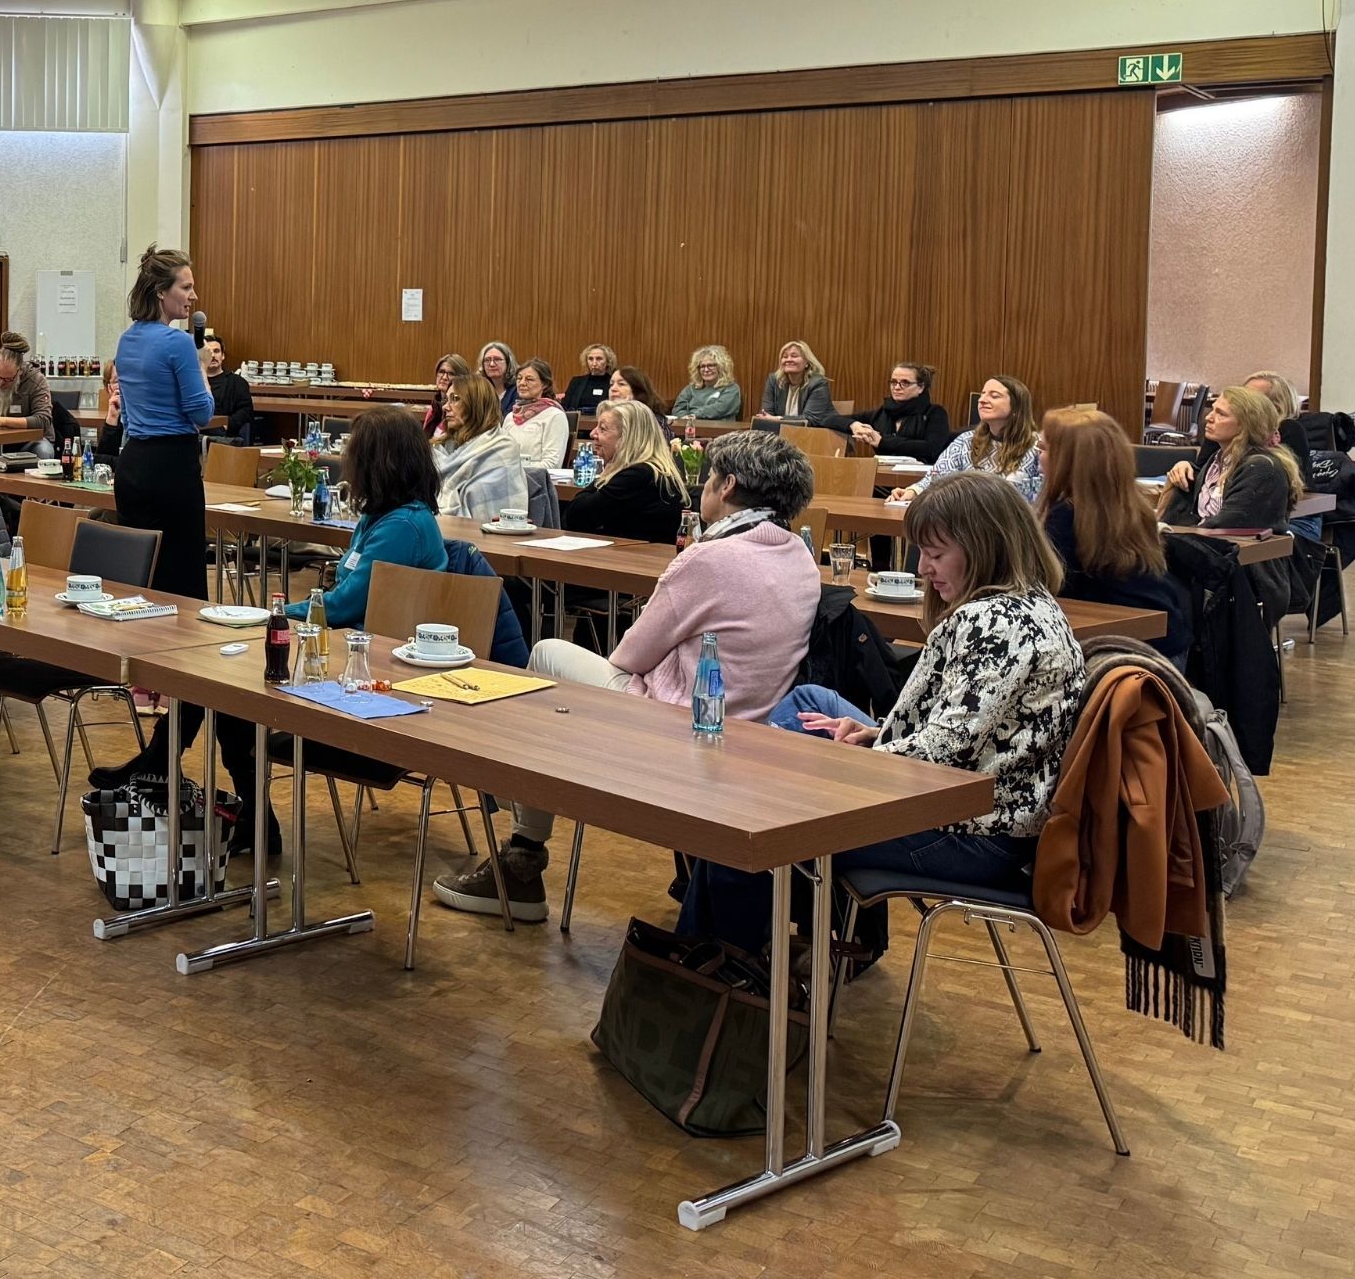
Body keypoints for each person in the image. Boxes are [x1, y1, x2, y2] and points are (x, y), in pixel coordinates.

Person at [678, 471, 1086, 956]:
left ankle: (716, 970)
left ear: (985, 547)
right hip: (984, 804)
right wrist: (874, 737)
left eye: (936, 555)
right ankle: (762, 926)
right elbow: (971, 734)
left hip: (972, 832)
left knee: (753, 830)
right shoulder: (1033, 604)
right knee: (812, 702)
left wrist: (848, 767)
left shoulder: (997, 624)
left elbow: (941, 753)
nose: (925, 569)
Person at [438, 430, 822, 920]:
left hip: (682, 728)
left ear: (727, 486)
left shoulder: (710, 557)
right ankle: (520, 854)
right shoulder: (801, 556)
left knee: (547, 656)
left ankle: (522, 857)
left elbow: (627, 657)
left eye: (705, 480)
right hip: (759, 728)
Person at [85, 247, 223, 795]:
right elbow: (201, 413)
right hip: (170, 466)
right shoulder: (174, 341)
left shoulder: (128, 339)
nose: (193, 296)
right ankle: (171, 735)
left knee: (154, 596)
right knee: (188, 601)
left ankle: (163, 743)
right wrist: (205, 372)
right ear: (162, 292)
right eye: (185, 287)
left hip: (134, 466)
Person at [1039, 408, 1192, 661]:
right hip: (1167, 640)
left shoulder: (1066, 516)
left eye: (1043, 449)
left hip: (1125, 654)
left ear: (1065, 460)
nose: (1038, 457)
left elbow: (1049, 588)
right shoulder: (1134, 507)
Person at [289, 406, 448, 626]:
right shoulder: (380, 514)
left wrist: (280, 611)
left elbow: (344, 606)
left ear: (376, 464)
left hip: (378, 644)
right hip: (357, 634)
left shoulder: (402, 526)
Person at [1160, 385, 1303, 532]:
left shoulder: (1262, 468)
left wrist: (1175, 535)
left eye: (1221, 414)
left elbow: (1228, 524)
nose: (1209, 418)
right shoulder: (1217, 460)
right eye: (1213, 410)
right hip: (1207, 544)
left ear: (1246, 424)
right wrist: (1184, 468)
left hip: (1238, 551)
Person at [893, 374, 1041, 503]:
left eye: (994, 396)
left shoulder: (1038, 447)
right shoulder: (965, 441)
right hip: (967, 524)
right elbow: (937, 478)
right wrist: (912, 492)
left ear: (1017, 407)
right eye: (982, 394)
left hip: (1016, 526)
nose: (982, 400)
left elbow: (1043, 493)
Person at [564, 399, 684, 542]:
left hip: (639, 560)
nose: (592, 434)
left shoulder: (639, 475)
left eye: (602, 429)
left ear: (627, 438)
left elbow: (575, 516)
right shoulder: (650, 470)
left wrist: (604, 474)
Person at [432, 367, 528, 519]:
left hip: (485, 537)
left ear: (476, 404)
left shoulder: (501, 448)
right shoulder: (440, 448)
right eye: (446, 399)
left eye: (455, 399)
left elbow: (486, 510)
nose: (445, 407)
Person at [1240, 370, 1320, 540]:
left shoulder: (1289, 429)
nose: (1241, 401)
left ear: (1277, 407)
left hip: (1293, 518)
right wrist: (1185, 467)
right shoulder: (1226, 428)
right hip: (1243, 514)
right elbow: (1201, 470)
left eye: (1251, 397)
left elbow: (1278, 486)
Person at [829, 361, 953, 461]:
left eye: (905, 383)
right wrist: (854, 425)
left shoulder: (935, 413)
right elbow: (830, 419)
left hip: (922, 482)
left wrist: (882, 442)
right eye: (894, 382)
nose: (897, 387)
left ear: (921, 387)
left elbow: (931, 449)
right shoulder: (882, 413)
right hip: (884, 480)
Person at [506, 358, 570, 467]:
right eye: (519, 378)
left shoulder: (554, 416)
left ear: (544, 384)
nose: (522, 383)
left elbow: (552, 463)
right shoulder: (510, 417)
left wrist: (516, 472)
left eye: (529, 379)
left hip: (536, 480)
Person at [753, 340, 833, 424]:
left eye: (794, 356)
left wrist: (778, 419)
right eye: (785, 356)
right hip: (779, 433)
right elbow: (766, 415)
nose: (788, 360)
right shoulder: (774, 380)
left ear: (807, 362)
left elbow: (810, 419)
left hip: (813, 433)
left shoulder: (818, 383)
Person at [201, 332, 256, 443]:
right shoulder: (193, 381)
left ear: (223, 355)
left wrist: (228, 424)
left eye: (216, 351)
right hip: (197, 434)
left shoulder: (237, 382)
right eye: (208, 352)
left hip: (225, 437)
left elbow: (246, 411)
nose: (212, 355)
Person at [670, 345, 742, 421]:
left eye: (710, 365)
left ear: (721, 367)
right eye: (702, 366)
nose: (706, 370)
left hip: (719, 430)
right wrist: (686, 418)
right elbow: (677, 410)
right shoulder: (690, 389)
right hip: (690, 428)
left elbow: (720, 408)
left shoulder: (731, 388)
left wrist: (694, 415)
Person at [425, 353, 471, 437]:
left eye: (451, 374)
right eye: (441, 372)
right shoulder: (434, 407)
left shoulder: (461, 408)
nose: (444, 377)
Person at [563, 344, 616, 413]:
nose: (594, 363)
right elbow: (565, 406)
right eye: (590, 359)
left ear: (608, 362)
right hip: (580, 420)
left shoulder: (614, 383)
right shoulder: (576, 382)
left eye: (599, 359)